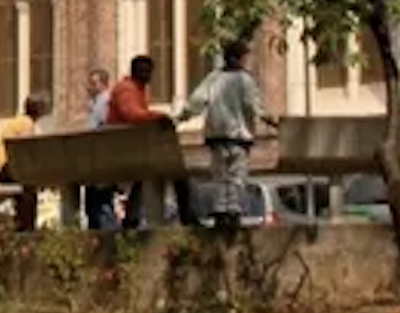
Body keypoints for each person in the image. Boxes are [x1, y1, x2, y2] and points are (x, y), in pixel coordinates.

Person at [176, 39, 275, 229]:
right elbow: (253, 105)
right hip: (238, 136)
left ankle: (221, 210)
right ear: (237, 58)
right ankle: (233, 210)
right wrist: (268, 118)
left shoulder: (213, 78)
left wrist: (182, 117)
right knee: (237, 175)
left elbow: (197, 101)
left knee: (220, 175)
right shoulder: (244, 80)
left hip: (217, 136)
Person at [105, 55, 199, 228]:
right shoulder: (127, 89)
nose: (148, 76)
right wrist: (160, 117)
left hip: (129, 149)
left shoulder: (136, 90)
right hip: (122, 150)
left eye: (149, 72)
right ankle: (187, 214)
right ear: (136, 72)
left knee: (165, 171)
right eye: (145, 72)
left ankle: (132, 218)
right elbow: (132, 114)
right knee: (175, 171)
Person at [0, 92, 49, 231]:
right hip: (3, 163)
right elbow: (23, 148)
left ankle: (22, 225)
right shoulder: (26, 123)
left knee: (24, 192)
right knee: (28, 192)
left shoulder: (20, 120)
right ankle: (27, 229)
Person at [81, 66, 117, 230]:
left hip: (101, 158)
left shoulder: (105, 101)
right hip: (92, 158)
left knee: (102, 203)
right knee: (93, 205)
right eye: (90, 83)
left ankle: (108, 239)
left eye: (94, 83)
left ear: (103, 84)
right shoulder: (95, 103)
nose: (90, 87)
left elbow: (102, 126)